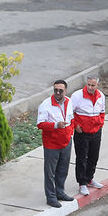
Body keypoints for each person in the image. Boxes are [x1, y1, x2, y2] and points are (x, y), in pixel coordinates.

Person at [37, 80, 74, 208]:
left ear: (66, 91)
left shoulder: (69, 102)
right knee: (50, 172)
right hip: (52, 144)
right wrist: (55, 125)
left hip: (66, 142)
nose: (57, 93)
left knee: (63, 170)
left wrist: (70, 133)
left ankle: (60, 192)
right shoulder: (46, 105)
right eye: (55, 90)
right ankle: (51, 197)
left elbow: (72, 119)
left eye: (60, 90)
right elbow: (40, 124)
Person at [71, 75, 106, 196]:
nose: (90, 87)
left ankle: (89, 178)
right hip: (82, 133)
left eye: (93, 85)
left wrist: (100, 124)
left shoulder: (101, 96)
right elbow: (71, 113)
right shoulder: (77, 96)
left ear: (97, 85)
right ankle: (82, 183)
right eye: (89, 85)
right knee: (81, 158)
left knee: (93, 156)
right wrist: (76, 126)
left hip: (96, 131)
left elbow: (102, 112)